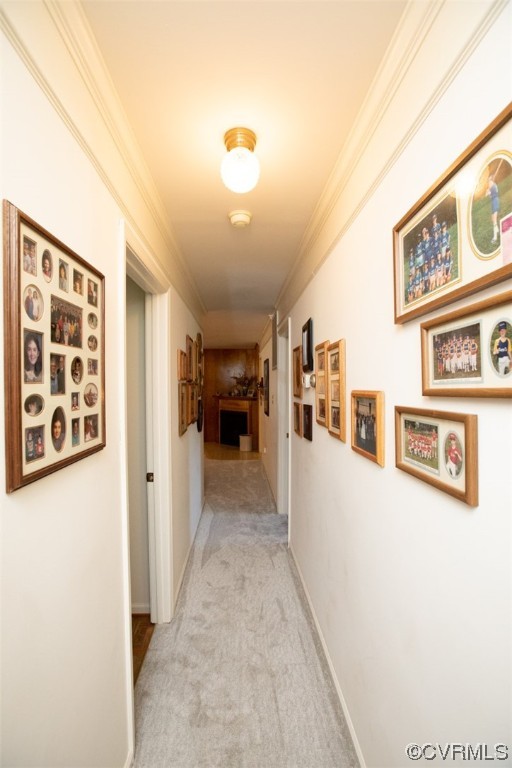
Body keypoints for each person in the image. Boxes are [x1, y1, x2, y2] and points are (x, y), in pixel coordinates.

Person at [486, 173, 500, 244]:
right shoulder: (492, 185)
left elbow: (488, 194)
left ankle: (495, 237)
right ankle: (497, 230)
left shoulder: (492, 184)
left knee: (494, 219)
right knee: (493, 219)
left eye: (489, 178)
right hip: (493, 201)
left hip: (495, 201)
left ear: (491, 178)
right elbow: (489, 195)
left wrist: (488, 192)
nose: (488, 181)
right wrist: (488, 193)